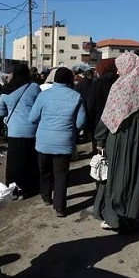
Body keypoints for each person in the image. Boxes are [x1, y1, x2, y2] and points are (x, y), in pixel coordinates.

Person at [93, 53, 139, 232]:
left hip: (117, 136)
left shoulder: (119, 87)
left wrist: (100, 139)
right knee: (135, 177)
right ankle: (131, 218)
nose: (117, 71)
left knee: (116, 177)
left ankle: (115, 218)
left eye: (119, 66)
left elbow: (107, 117)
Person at [28, 67, 85, 217]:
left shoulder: (44, 95)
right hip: (64, 142)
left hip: (43, 141)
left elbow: (32, 118)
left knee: (44, 171)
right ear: (70, 80)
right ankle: (59, 207)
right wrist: (71, 130)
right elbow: (81, 121)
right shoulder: (76, 96)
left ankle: (46, 197)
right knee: (61, 175)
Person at [0, 64, 42, 197]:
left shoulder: (6, 90)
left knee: (14, 162)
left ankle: (13, 190)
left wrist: (8, 116)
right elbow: (39, 107)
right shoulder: (34, 87)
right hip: (32, 130)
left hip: (14, 131)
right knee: (30, 161)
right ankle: (28, 189)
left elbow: (0, 112)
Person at [86, 58, 118, 143]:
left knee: (100, 153)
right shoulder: (120, 82)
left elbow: (90, 106)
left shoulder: (98, 84)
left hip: (98, 124)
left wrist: (88, 126)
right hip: (117, 126)